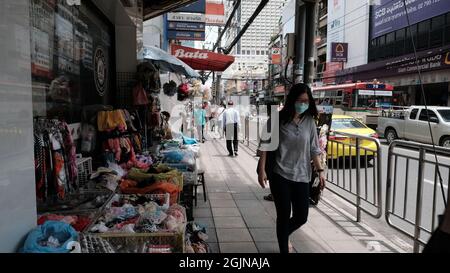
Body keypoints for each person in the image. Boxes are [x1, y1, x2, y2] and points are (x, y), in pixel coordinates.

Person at [257, 83, 326, 253]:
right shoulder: (277, 119)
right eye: (300, 100)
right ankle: (283, 248)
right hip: (280, 174)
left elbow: (313, 149)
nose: (303, 104)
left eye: (306, 101)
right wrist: (262, 170)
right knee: (283, 215)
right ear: (292, 100)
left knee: (302, 216)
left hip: (303, 175)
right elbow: (265, 146)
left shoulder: (309, 121)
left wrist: (320, 171)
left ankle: (283, 234)